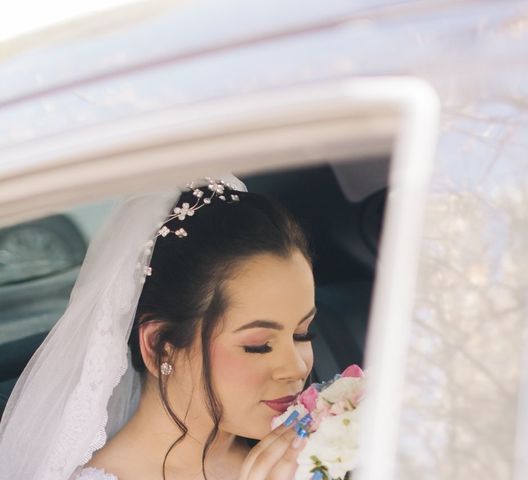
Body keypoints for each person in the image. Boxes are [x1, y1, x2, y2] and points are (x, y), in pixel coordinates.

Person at [0, 174, 318, 480]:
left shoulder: (319, 447)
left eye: (303, 333)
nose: (295, 368)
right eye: (258, 345)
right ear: (158, 346)